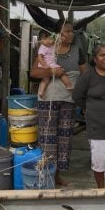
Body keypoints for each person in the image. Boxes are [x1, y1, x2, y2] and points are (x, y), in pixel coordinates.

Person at [30, 20, 86, 187]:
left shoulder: (77, 50)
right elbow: (33, 72)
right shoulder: (47, 49)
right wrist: (51, 71)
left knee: (64, 139)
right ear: (57, 33)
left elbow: (87, 74)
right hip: (48, 100)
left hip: (68, 100)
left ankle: (57, 176)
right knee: (48, 139)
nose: (71, 34)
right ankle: (47, 176)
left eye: (72, 32)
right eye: (67, 31)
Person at [73, 44, 105, 188]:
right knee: (99, 163)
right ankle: (101, 189)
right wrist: (88, 109)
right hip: (97, 129)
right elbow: (77, 96)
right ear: (95, 59)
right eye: (102, 55)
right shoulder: (88, 76)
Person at [35, 30, 74, 97]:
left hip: (51, 64)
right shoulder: (43, 47)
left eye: (51, 39)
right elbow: (39, 57)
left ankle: (68, 85)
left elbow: (59, 43)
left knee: (57, 74)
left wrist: (60, 38)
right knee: (49, 78)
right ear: (41, 40)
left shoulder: (52, 45)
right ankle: (41, 92)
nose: (49, 41)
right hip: (45, 65)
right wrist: (44, 65)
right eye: (45, 39)